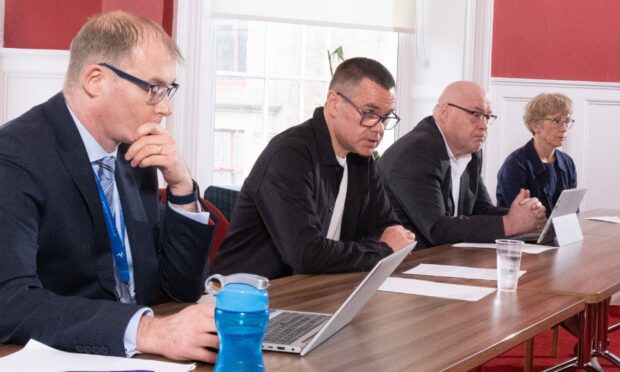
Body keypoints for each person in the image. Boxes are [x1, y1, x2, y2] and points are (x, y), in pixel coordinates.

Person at [0, 11, 218, 363]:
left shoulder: (135, 155)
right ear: (96, 80)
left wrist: (181, 184)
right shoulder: (14, 156)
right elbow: (10, 301)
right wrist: (149, 331)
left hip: (142, 357)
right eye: (153, 89)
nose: (165, 108)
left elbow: (179, 289)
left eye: (168, 91)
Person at [211, 57, 415, 280]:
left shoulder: (361, 159)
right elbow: (306, 253)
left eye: (385, 117)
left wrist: (378, 244)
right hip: (243, 299)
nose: (379, 128)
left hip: (314, 290)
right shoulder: (289, 155)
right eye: (369, 113)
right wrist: (383, 250)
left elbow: (388, 229)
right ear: (333, 102)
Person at [377, 81, 546, 248]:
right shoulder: (416, 152)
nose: (484, 125)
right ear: (445, 112)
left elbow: (480, 209)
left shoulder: (471, 151)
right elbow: (437, 229)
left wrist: (523, 215)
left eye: (487, 117)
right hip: (406, 263)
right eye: (475, 114)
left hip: (446, 258)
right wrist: (510, 223)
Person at [496, 93, 577, 216]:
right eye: (557, 121)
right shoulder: (515, 165)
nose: (564, 128)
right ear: (535, 125)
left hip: (558, 233)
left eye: (567, 121)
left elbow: (571, 212)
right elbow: (522, 218)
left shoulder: (567, 162)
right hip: (523, 234)